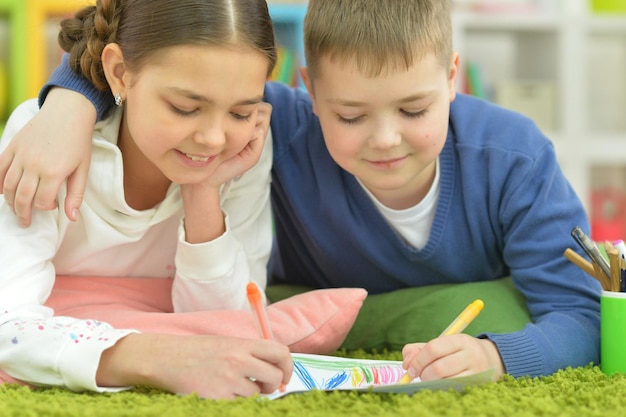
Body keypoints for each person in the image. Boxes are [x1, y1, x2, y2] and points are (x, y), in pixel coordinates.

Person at [0, 0, 600, 382]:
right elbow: (152, 58)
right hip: (296, 303)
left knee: (505, 308)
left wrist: (499, 357)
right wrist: (68, 104)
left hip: (451, 314)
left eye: (414, 108)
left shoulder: (512, 157)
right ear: (308, 91)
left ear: (452, 77)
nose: (385, 139)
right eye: (349, 116)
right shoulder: (272, 121)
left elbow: (581, 312)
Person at [0, 0, 293, 399]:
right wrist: (154, 357)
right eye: (185, 108)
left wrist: (201, 190)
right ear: (120, 73)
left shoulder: (242, 152)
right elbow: (6, 324)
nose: (213, 138)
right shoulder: (45, 139)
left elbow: (231, 324)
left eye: (240, 113)